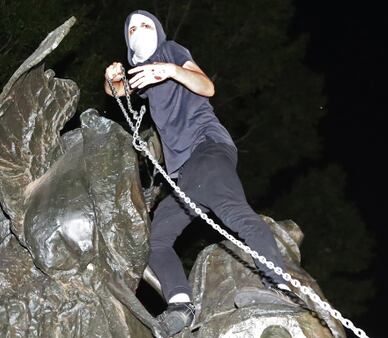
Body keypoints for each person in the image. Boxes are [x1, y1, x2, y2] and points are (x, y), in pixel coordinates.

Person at [104, 9, 291, 336]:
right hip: (185, 177)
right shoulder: (141, 72)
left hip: (208, 149)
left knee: (233, 211)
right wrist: (114, 78)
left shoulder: (171, 51)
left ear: (158, 31)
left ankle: (279, 286)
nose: (140, 30)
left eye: (146, 24)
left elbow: (206, 87)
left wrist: (171, 69)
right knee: (153, 242)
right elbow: (117, 92)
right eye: (133, 28)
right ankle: (181, 305)